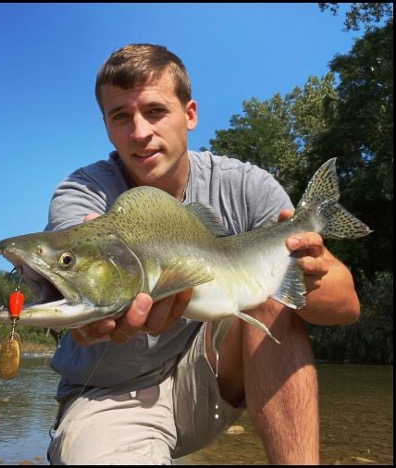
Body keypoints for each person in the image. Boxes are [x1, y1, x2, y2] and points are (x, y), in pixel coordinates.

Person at [46, 43, 360, 465]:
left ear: (190, 114)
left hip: (209, 381)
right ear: (106, 125)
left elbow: (347, 308)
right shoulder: (83, 194)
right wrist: (91, 320)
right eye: (121, 116)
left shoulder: (247, 186)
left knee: (268, 295)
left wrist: (312, 270)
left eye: (155, 111)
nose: (139, 132)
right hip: (110, 396)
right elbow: (68, 262)